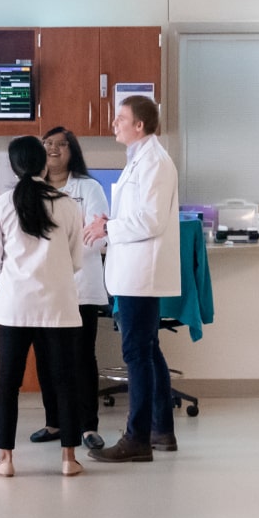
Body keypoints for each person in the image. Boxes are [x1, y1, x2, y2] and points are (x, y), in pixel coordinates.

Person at [82, 95, 180, 464]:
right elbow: (138, 216)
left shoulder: (154, 162)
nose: (114, 124)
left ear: (139, 125)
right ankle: (161, 431)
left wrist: (108, 226)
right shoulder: (140, 160)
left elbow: (151, 221)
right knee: (148, 350)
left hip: (142, 273)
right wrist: (108, 226)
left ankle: (137, 438)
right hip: (134, 271)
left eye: (120, 118)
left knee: (137, 352)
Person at [0, 136, 86, 477]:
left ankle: (6, 460)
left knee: (7, 383)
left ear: (13, 167)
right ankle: (69, 459)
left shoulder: (1, 205)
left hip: (14, 307)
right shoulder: (68, 204)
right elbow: (75, 259)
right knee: (65, 381)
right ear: (44, 164)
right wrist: (50, 277)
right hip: (59, 306)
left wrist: (14, 281)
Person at [27, 126, 110, 451]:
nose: (54, 149)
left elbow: (96, 235)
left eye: (62, 145)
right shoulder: (32, 189)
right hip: (43, 288)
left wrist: (57, 249)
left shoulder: (88, 188)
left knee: (80, 358)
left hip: (80, 287)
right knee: (46, 358)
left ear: (73, 151)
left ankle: (88, 426)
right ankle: (55, 422)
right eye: (48, 144)